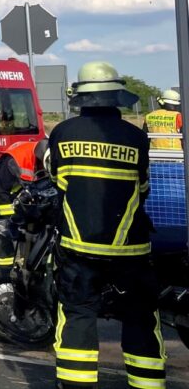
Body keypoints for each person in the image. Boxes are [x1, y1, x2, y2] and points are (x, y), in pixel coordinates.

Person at [48, 62, 164, 389]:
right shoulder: (136, 137)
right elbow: (143, 188)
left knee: (77, 315)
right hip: (131, 250)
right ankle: (148, 384)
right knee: (140, 318)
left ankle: (77, 383)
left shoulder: (62, 133)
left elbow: (58, 183)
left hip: (78, 248)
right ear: (117, 97)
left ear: (80, 98)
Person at [0, 138, 45, 269]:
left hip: (16, 197)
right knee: (2, 235)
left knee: (27, 232)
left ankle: (25, 266)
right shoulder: (15, 160)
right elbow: (0, 192)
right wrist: (11, 218)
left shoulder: (45, 156)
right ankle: (3, 272)